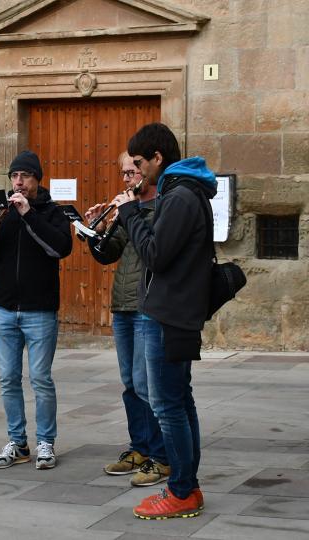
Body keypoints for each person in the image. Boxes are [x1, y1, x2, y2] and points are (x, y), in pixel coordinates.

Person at [112, 122, 215, 519]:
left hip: (168, 315)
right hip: (174, 311)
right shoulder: (182, 192)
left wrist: (130, 213)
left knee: (168, 406)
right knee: (178, 402)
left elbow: (156, 255)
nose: (137, 170)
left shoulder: (181, 196)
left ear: (158, 158)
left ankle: (181, 491)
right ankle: (186, 487)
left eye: (139, 162)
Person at [0, 150, 72, 470]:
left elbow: (60, 248)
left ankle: (45, 442)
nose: (18, 181)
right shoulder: (5, 213)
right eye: (14, 176)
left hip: (40, 311)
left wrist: (29, 215)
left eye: (25, 176)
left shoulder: (52, 212)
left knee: (40, 378)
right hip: (5, 310)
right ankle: (17, 441)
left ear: (37, 180)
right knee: (8, 378)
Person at [85, 153, 168, 487]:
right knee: (131, 384)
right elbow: (109, 254)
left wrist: (129, 213)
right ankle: (140, 448)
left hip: (149, 305)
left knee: (149, 385)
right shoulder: (125, 210)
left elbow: (156, 248)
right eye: (123, 174)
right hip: (124, 304)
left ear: (147, 170)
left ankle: (161, 457)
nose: (127, 179)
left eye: (132, 172)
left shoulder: (162, 206)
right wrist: (97, 230)